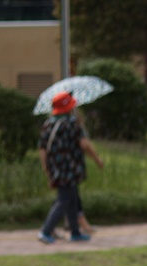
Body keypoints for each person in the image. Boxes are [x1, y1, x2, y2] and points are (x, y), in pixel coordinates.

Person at [38, 91, 103, 245]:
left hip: (55, 167)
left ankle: (75, 232)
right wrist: (96, 159)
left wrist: (46, 169)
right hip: (70, 168)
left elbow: (42, 149)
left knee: (72, 197)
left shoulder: (48, 124)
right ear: (69, 107)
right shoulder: (72, 123)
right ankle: (46, 230)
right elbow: (84, 144)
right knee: (64, 199)